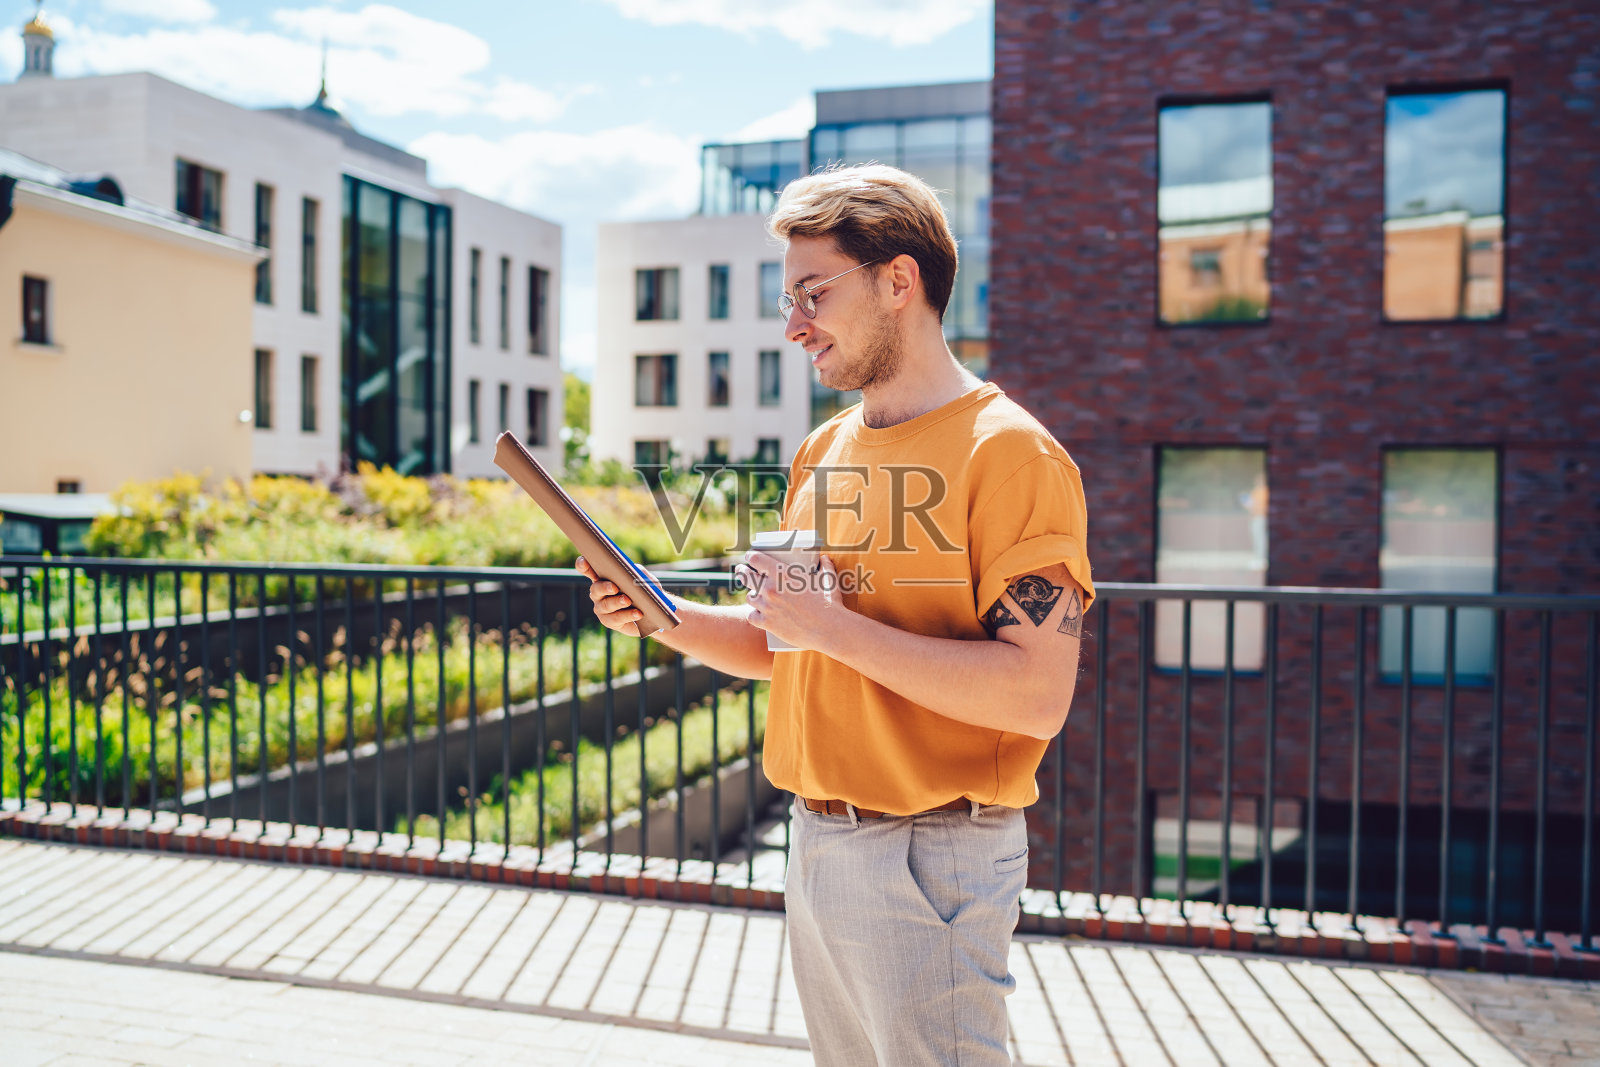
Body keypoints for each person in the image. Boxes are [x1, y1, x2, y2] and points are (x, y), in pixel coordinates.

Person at [577, 163, 1093, 1066]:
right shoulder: (826, 448)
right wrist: (660, 614)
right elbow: (792, 645)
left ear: (899, 281)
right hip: (819, 840)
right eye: (789, 297)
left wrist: (831, 628)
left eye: (813, 292)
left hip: (931, 853)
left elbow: (1036, 696)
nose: (793, 324)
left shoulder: (1010, 454)